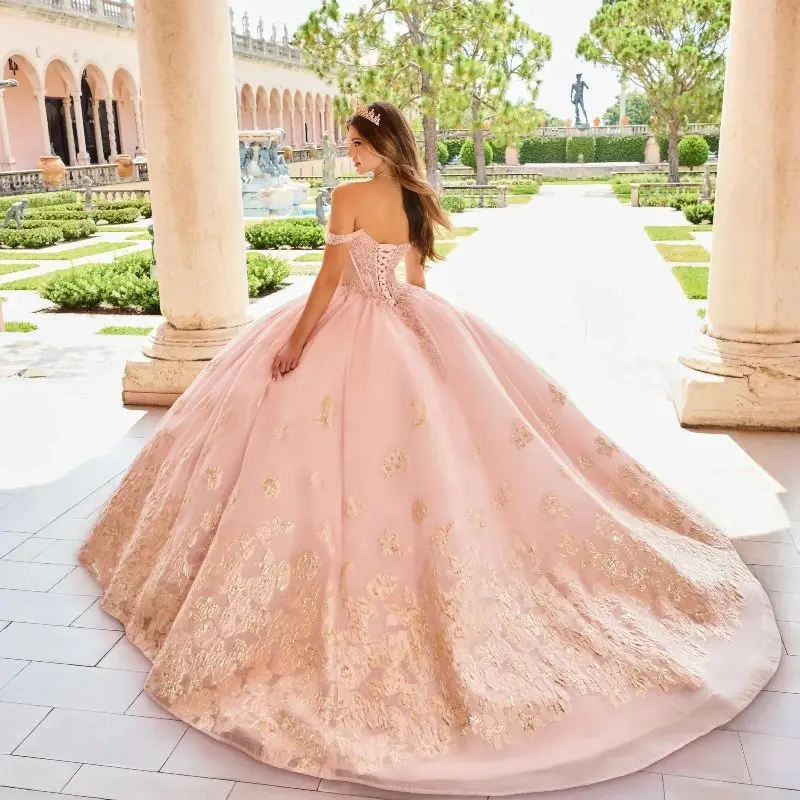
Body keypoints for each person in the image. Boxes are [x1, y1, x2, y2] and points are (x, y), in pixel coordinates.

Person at [80, 100, 780, 795]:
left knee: (320, 447)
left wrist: (296, 342)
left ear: (381, 147)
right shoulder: (415, 198)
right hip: (402, 322)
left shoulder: (350, 196)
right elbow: (413, 283)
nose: (349, 154)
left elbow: (329, 282)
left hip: (349, 325)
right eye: (349, 146)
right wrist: (419, 340)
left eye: (356, 144)